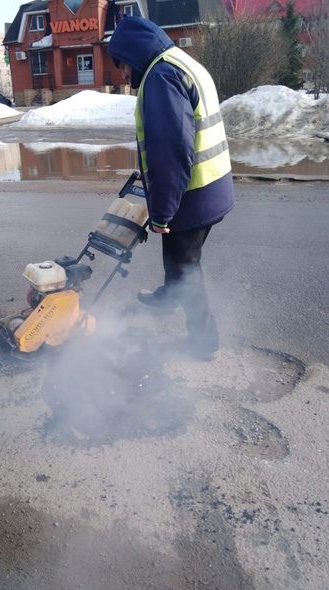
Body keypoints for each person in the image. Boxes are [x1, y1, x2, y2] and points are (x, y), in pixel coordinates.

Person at [108, 16, 235, 360]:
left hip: (192, 194)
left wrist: (162, 212)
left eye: (119, 66)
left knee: (186, 268)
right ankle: (169, 296)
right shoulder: (180, 62)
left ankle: (203, 342)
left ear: (130, 55)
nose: (121, 76)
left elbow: (171, 150)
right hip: (210, 184)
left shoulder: (160, 76)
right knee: (181, 260)